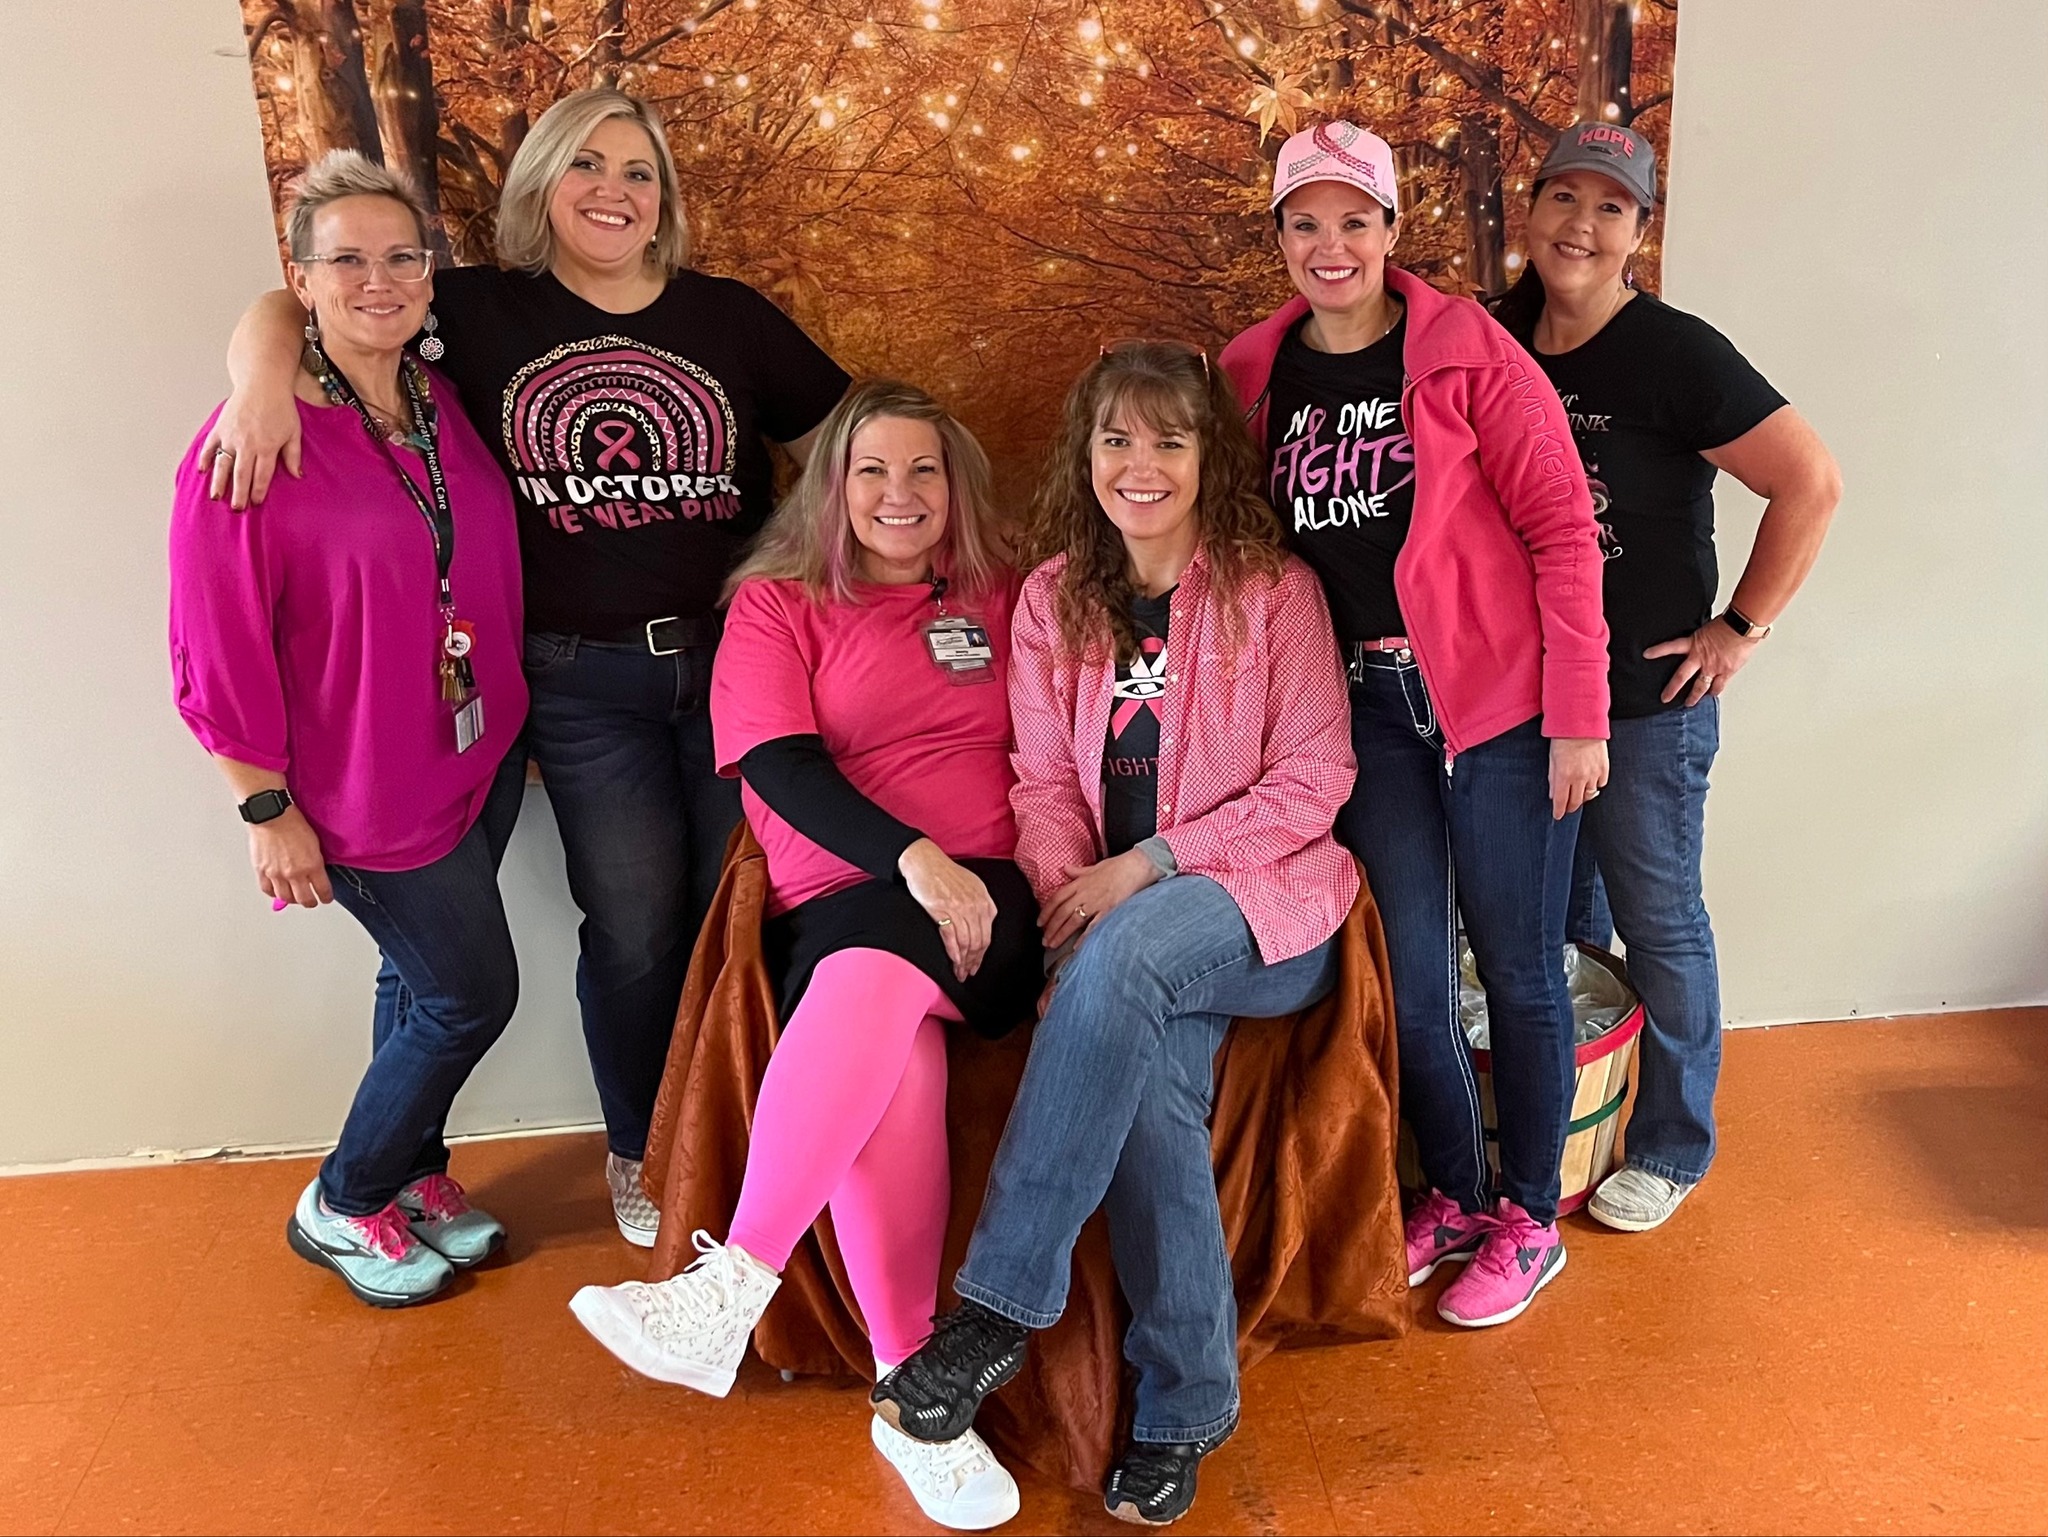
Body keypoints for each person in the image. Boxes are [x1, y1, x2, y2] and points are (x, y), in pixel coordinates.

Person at [205, 90, 851, 1247]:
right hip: (571, 682)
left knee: (733, 910)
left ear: (665, 198)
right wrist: (258, 378)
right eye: (586, 165)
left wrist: (790, 565)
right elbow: (319, 292)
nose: (615, 189)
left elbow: (853, 447)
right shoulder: (475, 311)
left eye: (639, 170)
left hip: (729, 669)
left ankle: (742, 1128)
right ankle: (641, 1143)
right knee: (638, 923)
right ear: (540, 187)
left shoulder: (730, 317)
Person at [869, 343, 1358, 1528]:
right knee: (1146, 1094)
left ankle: (991, 1311)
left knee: (1133, 949)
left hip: (1263, 907)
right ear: (1084, 454)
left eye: (1168, 441)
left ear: (1209, 459)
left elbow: (1315, 778)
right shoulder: (1052, 599)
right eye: (1116, 441)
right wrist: (1064, 896)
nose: (1139, 466)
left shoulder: (1272, 591)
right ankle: (1189, 1407)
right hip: (1116, 925)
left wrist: (1142, 868)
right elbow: (1039, 780)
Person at [567, 381, 1036, 1530]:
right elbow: (778, 765)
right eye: (871, 470)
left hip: (991, 896)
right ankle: (913, 1398)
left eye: (922, 470)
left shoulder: (1008, 591)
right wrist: (908, 856)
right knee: (892, 1061)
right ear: (832, 486)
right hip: (841, 894)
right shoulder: (776, 605)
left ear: (954, 485)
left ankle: (730, 1284)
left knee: (875, 982)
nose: (898, 494)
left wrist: (957, 868)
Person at [1220, 121, 1610, 1328]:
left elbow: (1560, 536)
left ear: (1391, 231)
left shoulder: (1468, 352)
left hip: (1496, 708)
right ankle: (1452, 1189)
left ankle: (1530, 1216)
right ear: (1278, 237)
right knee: (1408, 975)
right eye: (1303, 223)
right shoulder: (1247, 373)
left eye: (1352, 221)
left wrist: (1577, 719)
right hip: (1363, 712)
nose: (1327, 246)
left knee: (1518, 968)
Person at [169, 152, 528, 1307]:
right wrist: (264, 807)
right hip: (362, 785)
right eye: (347, 260)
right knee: (472, 995)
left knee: (413, 981)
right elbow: (210, 647)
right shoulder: (252, 442)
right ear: (303, 279)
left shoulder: (437, 401)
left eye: (400, 255)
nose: (379, 280)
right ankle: (344, 1193)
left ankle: (411, 1169)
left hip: (479, 748)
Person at [1492, 122, 1842, 1232]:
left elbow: (1809, 482)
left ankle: (1672, 1142)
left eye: (1608, 207)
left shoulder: (1676, 354)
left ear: (1637, 232)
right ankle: (1572, 1124)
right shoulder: (1489, 337)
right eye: (1562, 198)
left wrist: (1737, 626)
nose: (1578, 225)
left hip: (1644, 704)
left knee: (1657, 918)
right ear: (1530, 208)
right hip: (1518, 700)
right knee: (1557, 924)